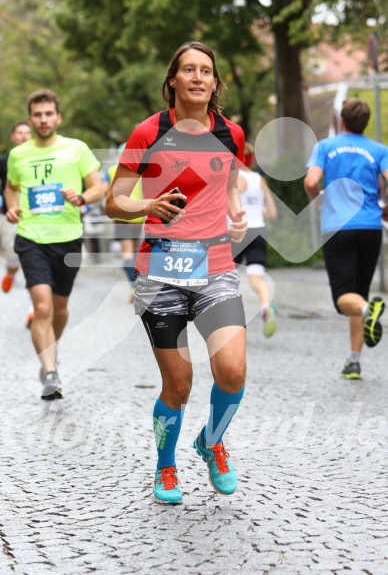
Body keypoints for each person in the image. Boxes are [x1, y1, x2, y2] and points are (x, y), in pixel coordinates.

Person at [105, 41, 248, 504]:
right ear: (173, 81)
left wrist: (236, 212)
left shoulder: (232, 134)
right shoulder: (148, 132)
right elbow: (114, 202)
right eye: (188, 69)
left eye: (206, 70)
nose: (198, 77)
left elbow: (228, 184)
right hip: (160, 270)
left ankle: (211, 441)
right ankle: (166, 469)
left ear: (214, 82)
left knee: (232, 371)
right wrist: (147, 204)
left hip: (216, 267)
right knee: (179, 385)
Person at [5, 89, 104, 400]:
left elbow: (100, 187)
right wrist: (11, 207)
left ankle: (51, 350)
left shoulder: (77, 149)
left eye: (49, 114)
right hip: (31, 238)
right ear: (30, 118)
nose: (43, 120)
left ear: (58, 117)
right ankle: (49, 373)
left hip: (68, 238)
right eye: (38, 114)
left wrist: (82, 198)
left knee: (60, 309)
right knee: (43, 307)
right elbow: (11, 188)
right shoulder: (18, 154)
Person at [304, 98, 388, 380]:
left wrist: (317, 201)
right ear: (366, 122)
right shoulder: (379, 150)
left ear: (341, 120)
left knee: (344, 299)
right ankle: (354, 361)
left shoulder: (326, 147)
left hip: (338, 227)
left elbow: (311, 182)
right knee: (357, 291)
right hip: (370, 228)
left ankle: (368, 309)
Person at [232, 142, 278, 337]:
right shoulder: (260, 180)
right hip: (259, 231)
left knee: (228, 278)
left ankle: (233, 320)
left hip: (239, 231)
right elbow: (273, 213)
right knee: (255, 277)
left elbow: (230, 203)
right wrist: (257, 210)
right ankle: (266, 305)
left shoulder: (237, 179)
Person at [107, 143, 145, 302]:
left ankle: (134, 286)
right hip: (140, 215)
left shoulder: (112, 171)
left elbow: (106, 190)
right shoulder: (143, 171)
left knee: (127, 254)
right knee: (136, 254)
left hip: (122, 216)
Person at [0, 121, 32, 293]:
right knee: (12, 255)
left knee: (33, 259)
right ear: (13, 137)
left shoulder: (38, 159)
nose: (24, 136)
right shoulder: (5, 160)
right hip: (10, 214)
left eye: (27, 132)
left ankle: (33, 308)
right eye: (19, 133)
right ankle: (11, 274)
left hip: (35, 216)